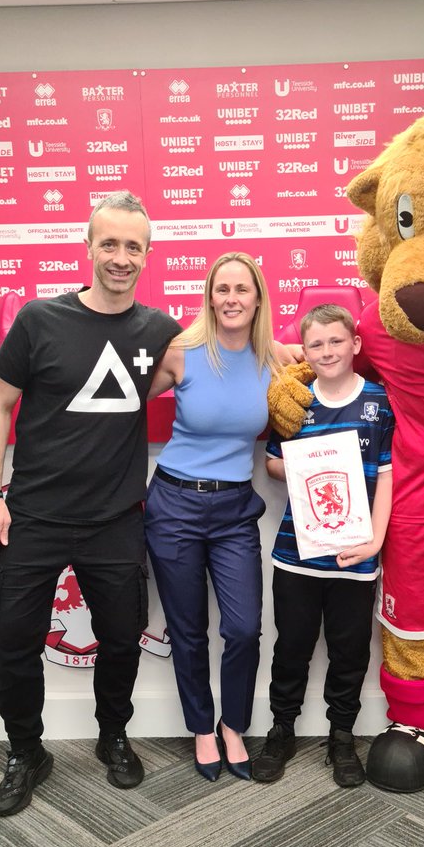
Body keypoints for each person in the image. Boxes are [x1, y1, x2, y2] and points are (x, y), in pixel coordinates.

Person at [0, 191, 180, 816]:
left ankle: (112, 735)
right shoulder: (40, 319)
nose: (121, 257)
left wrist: (298, 357)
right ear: (89, 247)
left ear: (147, 255)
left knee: (121, 639)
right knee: (14, 642)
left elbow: (230, 349)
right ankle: (25, 752)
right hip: (32, 514)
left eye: (133, 246)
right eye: (110, 243)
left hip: (115, 518)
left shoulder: (160, 330)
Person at [145, 252, 296, 782]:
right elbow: (116, 404)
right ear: (210, 296)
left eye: (242, 289)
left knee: (243, 628)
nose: (231, 298)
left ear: (258, 298)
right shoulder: (182, 353)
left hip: (234, 510)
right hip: (175, 506)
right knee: (187, 631)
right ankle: (202, 729)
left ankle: (234, 724)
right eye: (222, 289)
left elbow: (339, 356)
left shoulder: (276, 358)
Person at [255, 303, 394, 787]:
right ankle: (281, 729)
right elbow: (271, 463)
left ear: (355, 344)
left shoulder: (379, 403)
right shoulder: (294, 400)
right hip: (297, 554)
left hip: (355, 557)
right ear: (304, 352)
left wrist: (375, 540)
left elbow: (389, 477)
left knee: (349, 651)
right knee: (290, 647)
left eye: (337, 341)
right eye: (316, 343)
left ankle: (342, 735)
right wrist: (304, 465)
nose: (327, 351)